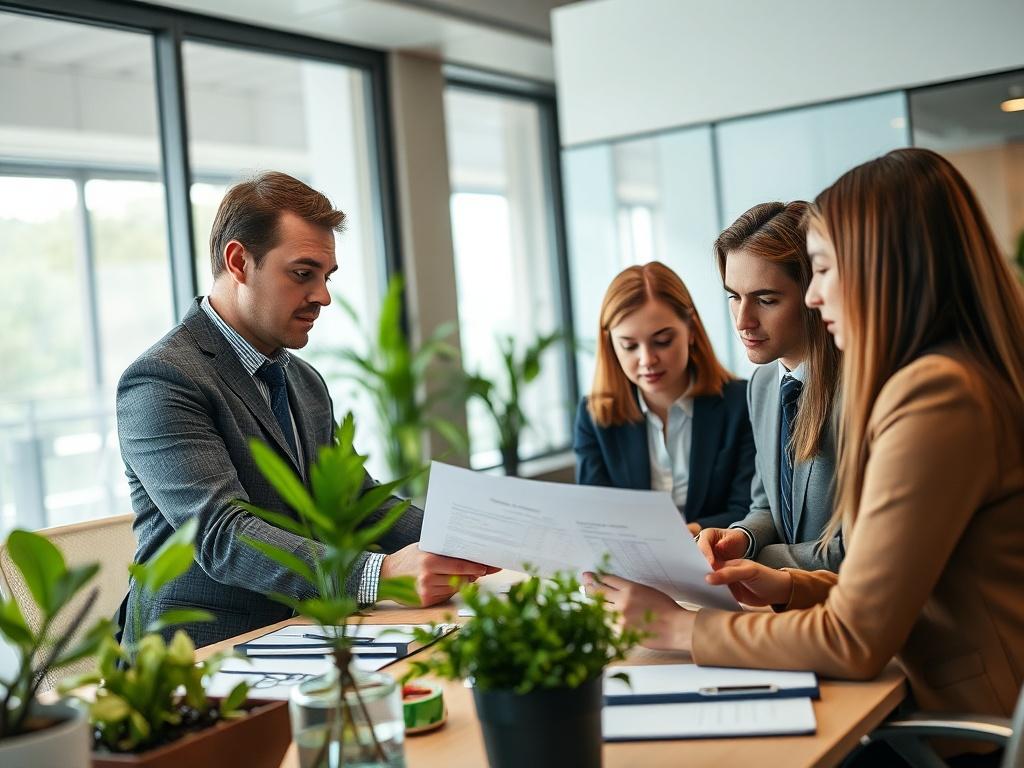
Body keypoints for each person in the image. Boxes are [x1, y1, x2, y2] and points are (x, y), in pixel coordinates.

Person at [586, 148, 1024, 734]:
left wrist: (674, 627)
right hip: (916, 683)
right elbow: (872, 578)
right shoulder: (945, 375)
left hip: (951, 716)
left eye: (823, 268)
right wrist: (785, 582)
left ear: (884, 267)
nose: (816, 297)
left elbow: (852, 634)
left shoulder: (935, 392)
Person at [117, 172, 492, 647]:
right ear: (239, 262)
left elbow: (355, 500)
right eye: (302, 274)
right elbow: (222, 534)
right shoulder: (162, 379)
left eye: (326, 277)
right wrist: (381, 574)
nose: (323, 296)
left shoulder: (303, 379)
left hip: (303, 632)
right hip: (197, 656)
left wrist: (469, 536)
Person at [697, 201, 844, 570]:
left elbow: (857, 549)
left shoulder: (858, 387)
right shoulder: (762, 384)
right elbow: (764, 507)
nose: (743, 321)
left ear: (814, 295)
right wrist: (740, 539)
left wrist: (760, 560)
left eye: (765, 300)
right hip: (784, 607)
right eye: (734, 297)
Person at [574, 261, 755, 530]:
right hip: (632, 568)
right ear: (610, 344)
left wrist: (685, 535)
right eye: (629, 346)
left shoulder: (742, 403)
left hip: (719, 562)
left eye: (662, 341)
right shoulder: (595, 415)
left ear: (691, 331)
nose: (647, 360)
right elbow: (596, 519)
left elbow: (748, 510)